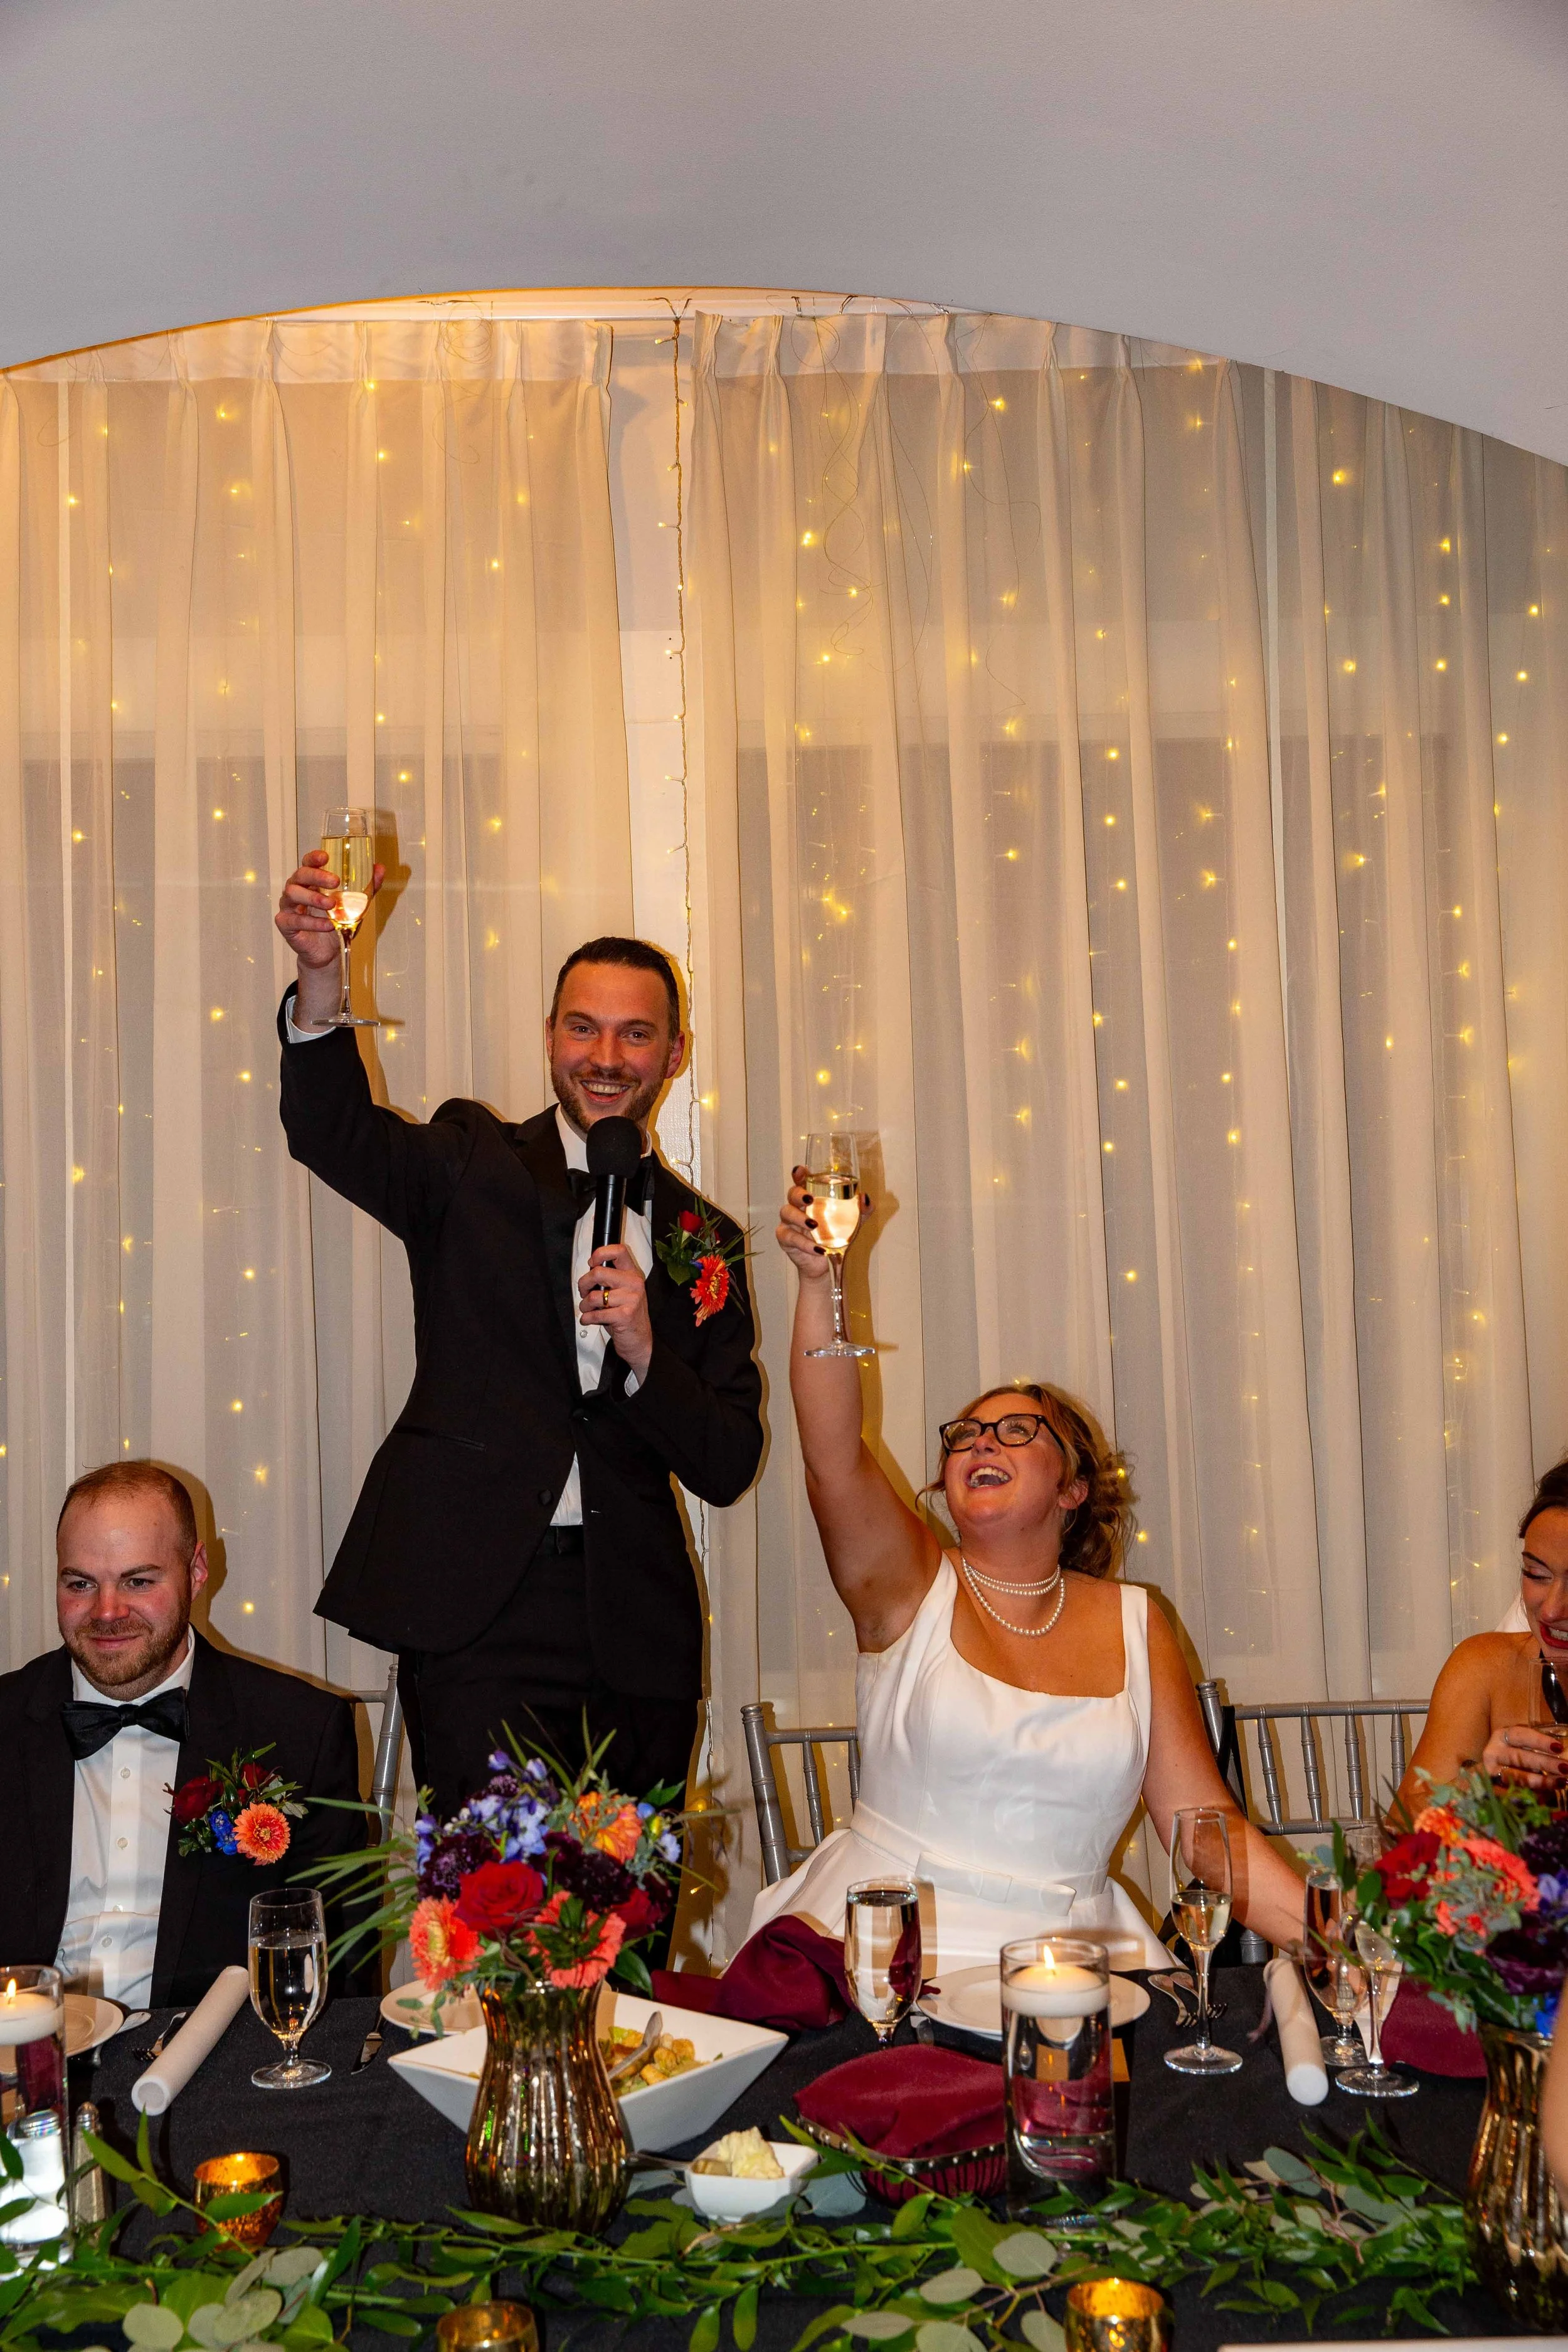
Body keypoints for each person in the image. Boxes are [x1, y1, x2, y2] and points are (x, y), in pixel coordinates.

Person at [274, 850, 764, 1825]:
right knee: (490, 1913)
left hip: (636, 1626)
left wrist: (646, 1354)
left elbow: (726, 1460)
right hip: (477, 1611)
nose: (607, 1057)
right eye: (583, 1028)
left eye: (636, 1034)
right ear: (550, 1037)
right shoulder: (469, 1161)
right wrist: (323, 979)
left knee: (626, 1926)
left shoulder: (705, 1239)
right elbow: (331, 1129)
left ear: (674, 1053)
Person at [751, 1172, 1309, 1969]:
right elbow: (832, 1457)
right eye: (966, 1434)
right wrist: (822, 1281)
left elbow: (1203, 1831)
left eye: (1016, 1431)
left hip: (1080, 1964)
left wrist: (1345, 1947)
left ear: (1073, 1488)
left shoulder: (1134, 1618)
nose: (981, 1443)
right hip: (890, 1959)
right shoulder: (907, 1587)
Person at [0, 1461, 364, 2010]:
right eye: (80, 1583)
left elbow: (339, 1980)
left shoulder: (301, 1730)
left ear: (196, 1570)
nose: (106, 1612)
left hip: (214, 2066)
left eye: (138, 1581)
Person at [1394, 1459, 1568, 1814]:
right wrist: (1475, 1790)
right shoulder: (1485, 1668)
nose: (1551, 1610)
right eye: (1536, 1574)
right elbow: (1397, 1838)